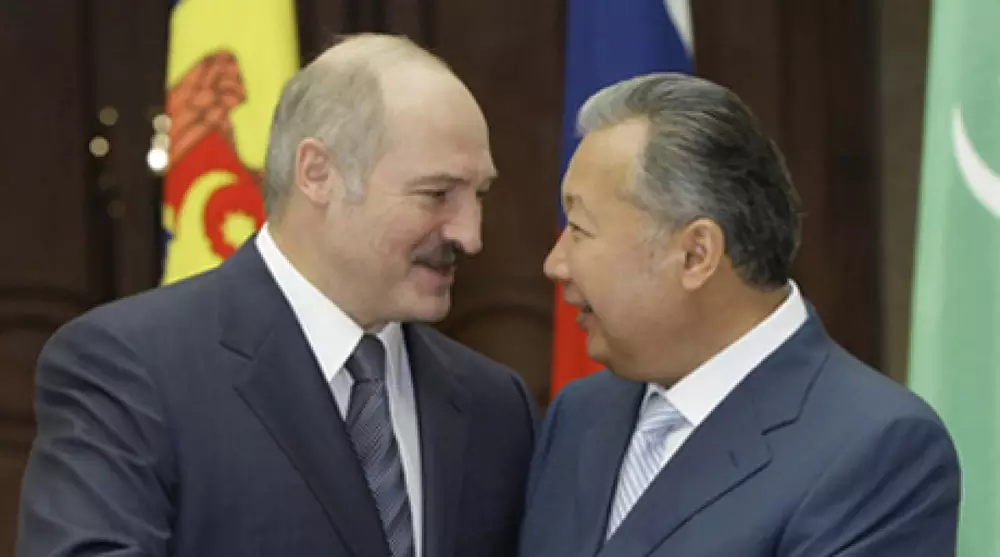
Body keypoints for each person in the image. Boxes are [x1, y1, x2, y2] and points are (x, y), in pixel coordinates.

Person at [17, 34, 537, 557]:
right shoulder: (130, 370)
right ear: (318, 173)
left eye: (479, 195)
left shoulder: (495, 406)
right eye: (437, 194)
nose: (470, 235)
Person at [517, 73, 961, 557]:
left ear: (696, 254)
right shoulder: (580, 414)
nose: (555, 264)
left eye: (579, 229)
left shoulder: (876, 447)